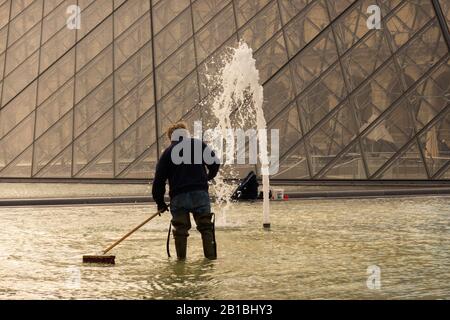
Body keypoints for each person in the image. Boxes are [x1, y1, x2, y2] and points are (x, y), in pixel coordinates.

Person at [152, 122, 220, 260]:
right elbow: (215, 164)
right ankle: (210, 260)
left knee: (180, 230)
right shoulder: (198, 145)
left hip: (179, 196)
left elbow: (158, 181)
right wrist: (206, 178)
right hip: (200, 194)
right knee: (206, 228)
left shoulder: (168, 152)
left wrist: (160, 203)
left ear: (171, 137)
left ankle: (181, 262)